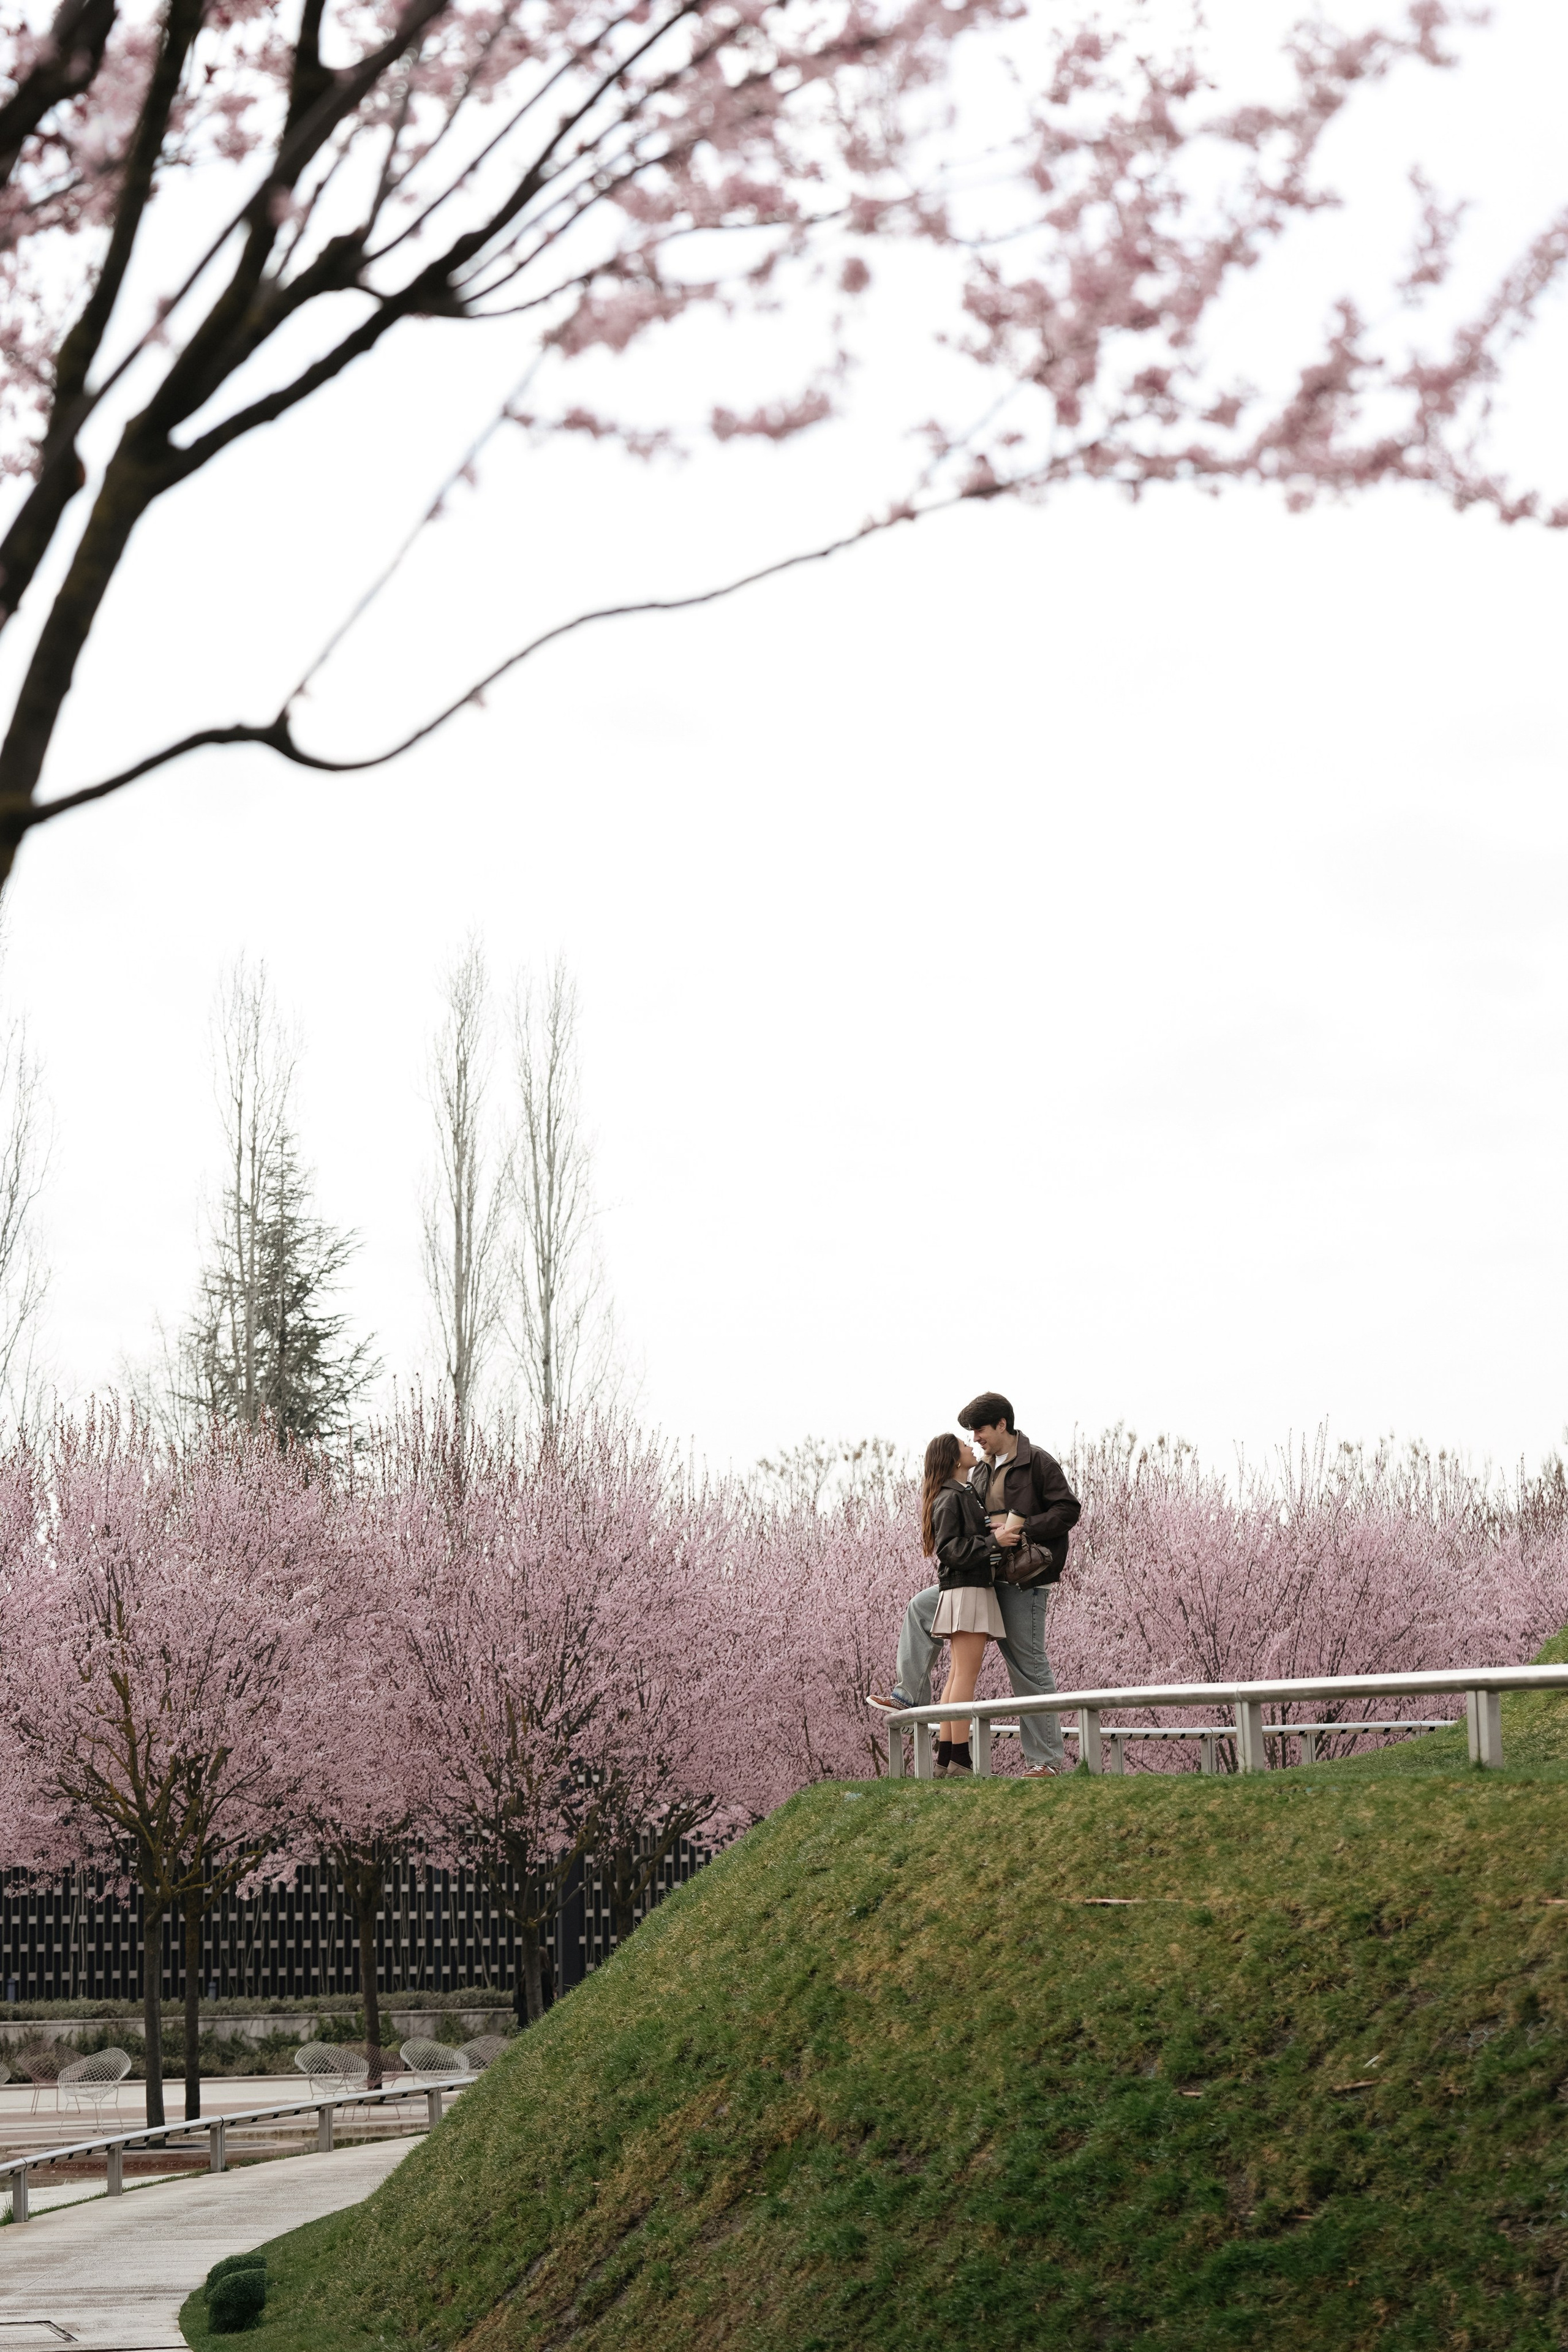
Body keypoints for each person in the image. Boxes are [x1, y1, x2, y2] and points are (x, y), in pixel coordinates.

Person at [870, 1390, 1080, 1776]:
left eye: (980, 1430)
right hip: (980, 1577)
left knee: (1027, 1666)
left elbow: (1068, 1510)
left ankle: (1045, 1762)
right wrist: (987, 1534)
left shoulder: (1038, 1462)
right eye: (970, 1433)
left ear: (1002, 1424)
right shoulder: (980, 1471)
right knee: (920, 1608)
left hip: (1023, 1581)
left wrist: (1020, 1528)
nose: (975, 1438)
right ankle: (908, 1696)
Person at [920, 1431, 1006, 1777]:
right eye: (963, 1445)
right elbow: (950, 1550)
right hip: (967, 1590)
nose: (971, 1446)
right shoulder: (951, 1497)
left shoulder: (957, 1493)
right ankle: (961, 1761)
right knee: (965, 1677)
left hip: (964, 1590)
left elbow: (959, 1539)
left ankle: (946, 1761)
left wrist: (989, 1529)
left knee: (957, 1676)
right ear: (955, 1459)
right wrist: (993, 1541)